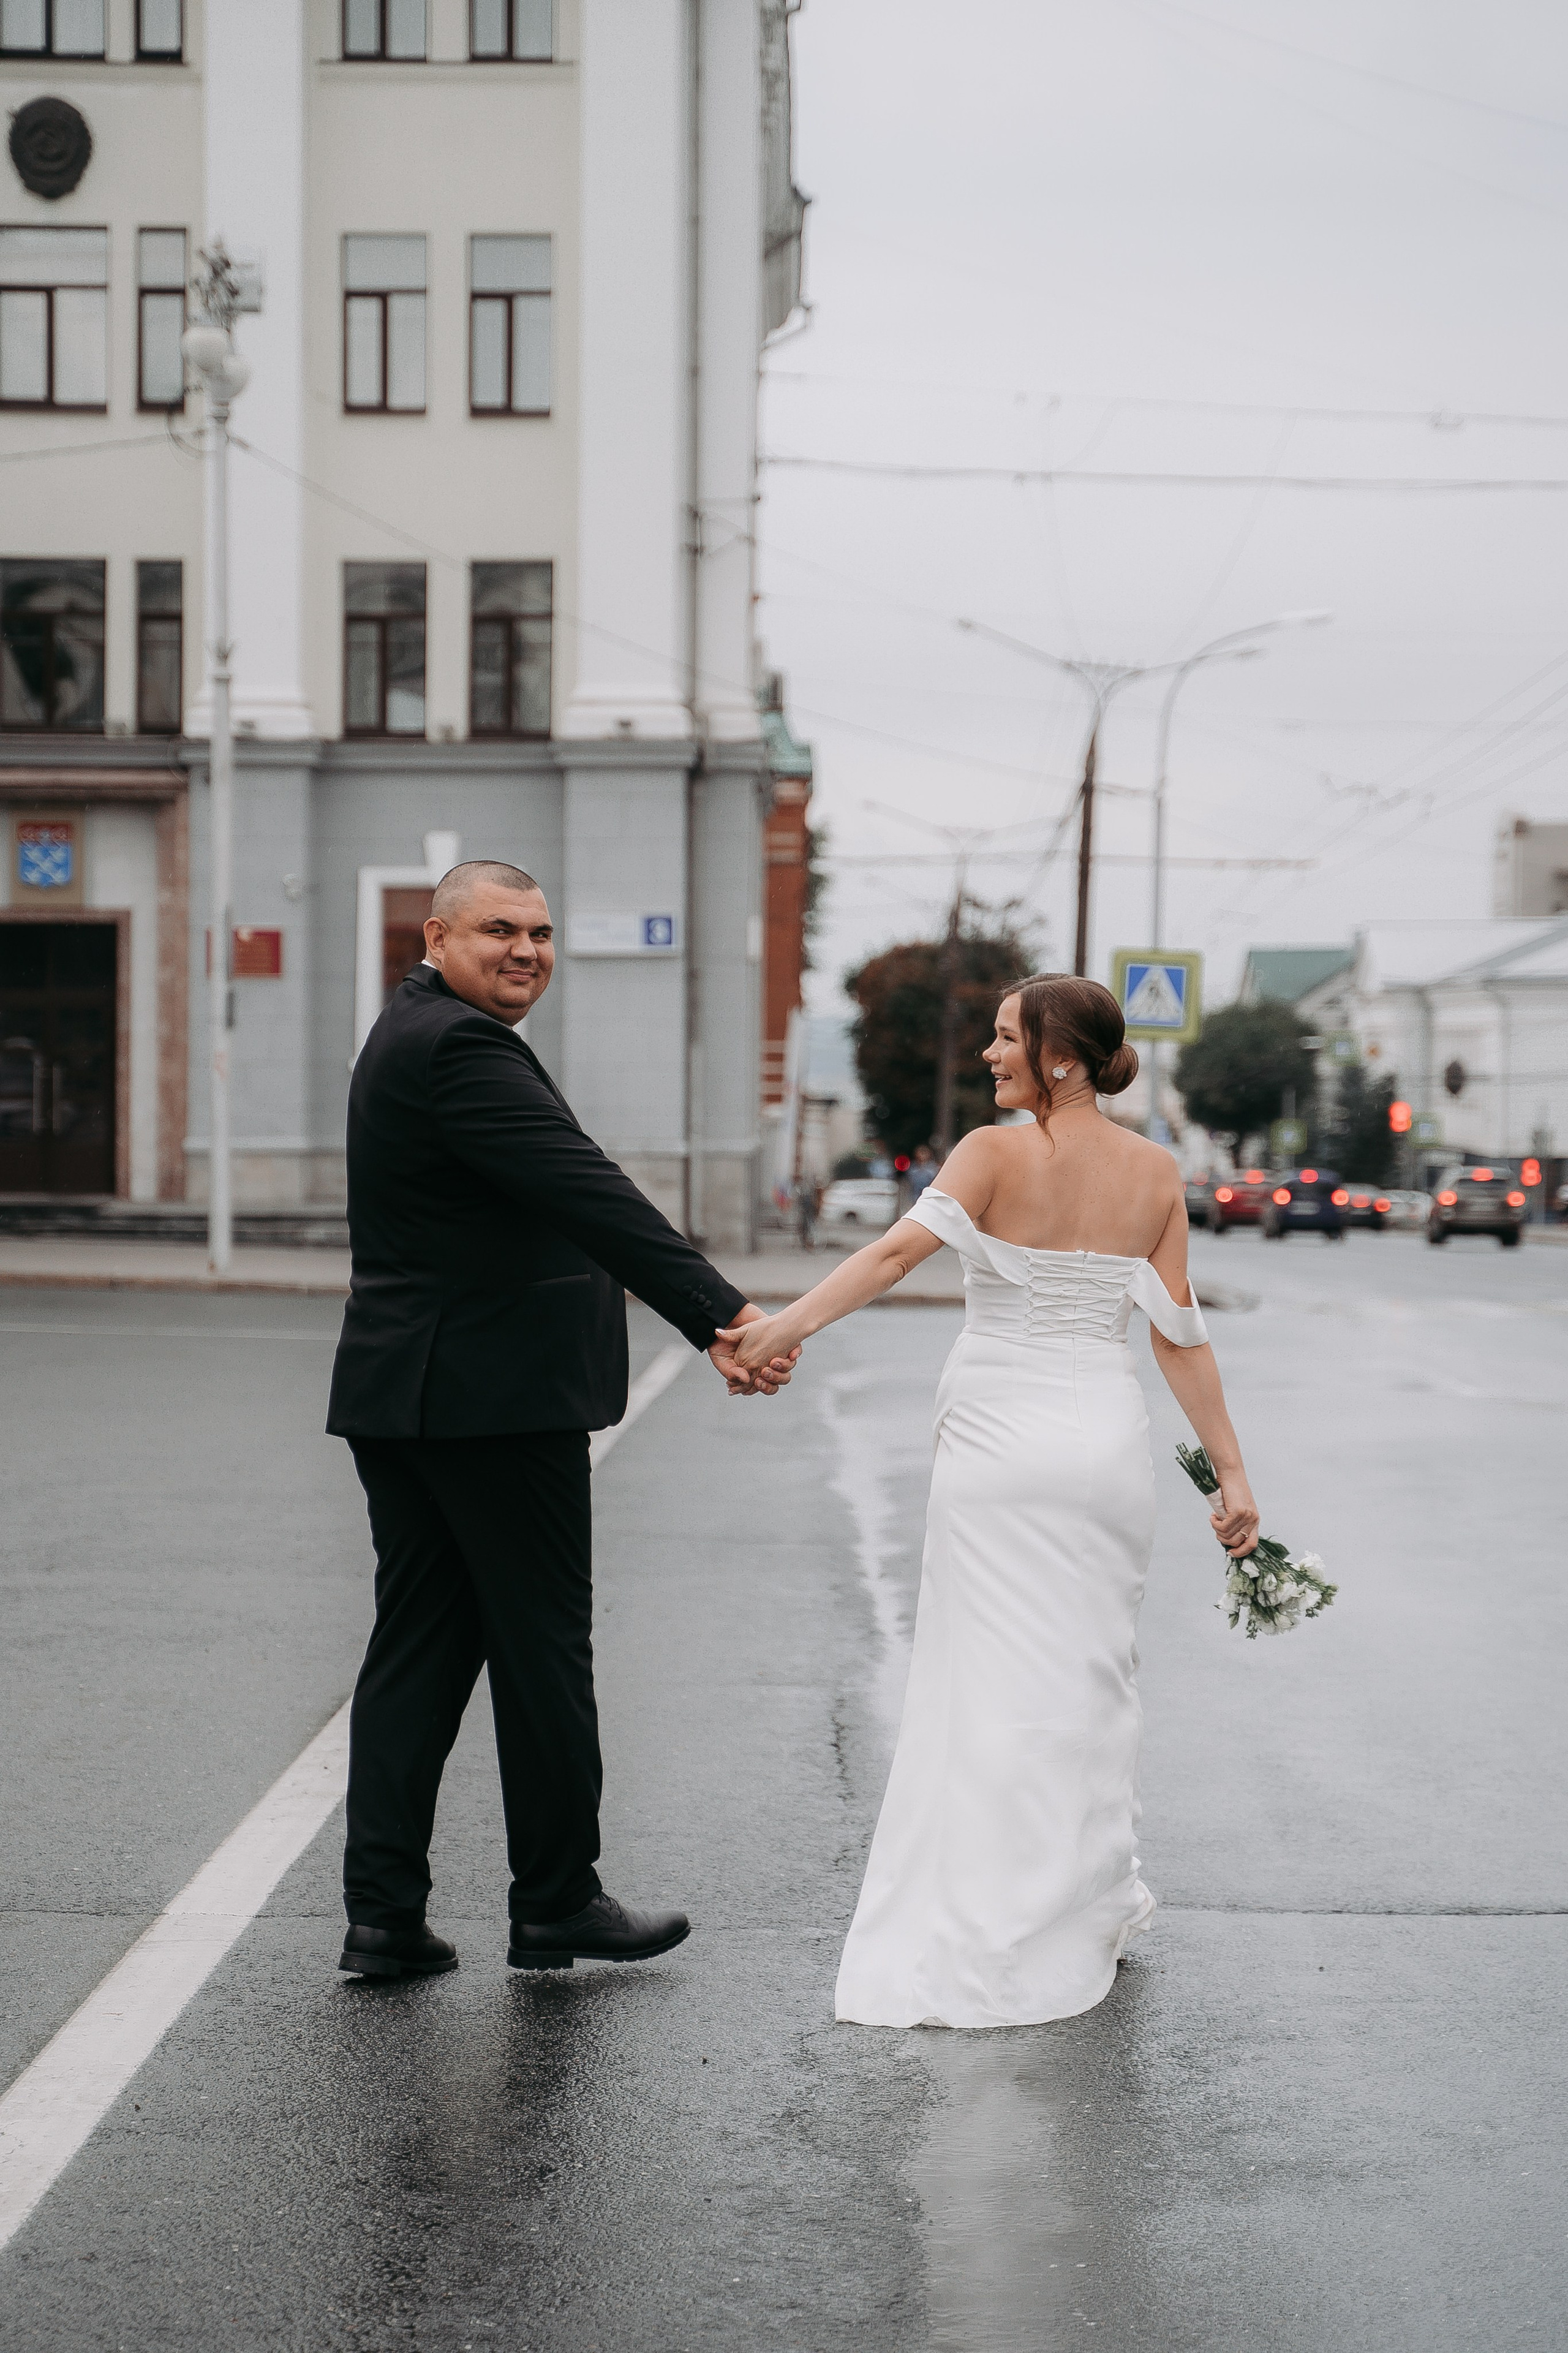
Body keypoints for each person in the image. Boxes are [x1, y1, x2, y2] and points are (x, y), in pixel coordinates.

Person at [722, 973, 1259, 2030]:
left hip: (1000, 1446)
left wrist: (779, 1332)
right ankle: (1080, 1894)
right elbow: (1178, 1334)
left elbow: (890, 1256)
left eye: (1007, 1038)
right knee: (1093, 1678)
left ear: (1060, 1056)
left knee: (985, 1678)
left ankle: (990, 1903)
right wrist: (1234, 1473)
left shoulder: (990, 1153)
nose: (990, 1054)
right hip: (1104, 1448)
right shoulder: (1154, 1173)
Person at [327, 860, 796, 1983]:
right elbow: (584, 1187)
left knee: (420, 1652)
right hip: (491, 1401)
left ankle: (384, 1915)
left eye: (540, 933)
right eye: (500, 929)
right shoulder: (460, 1047)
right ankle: (557, 1900)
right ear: (436, 934)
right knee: (541, 1650)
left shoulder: (413, 1030)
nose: (527, 949)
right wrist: (722, 1312)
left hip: (415, 1391)